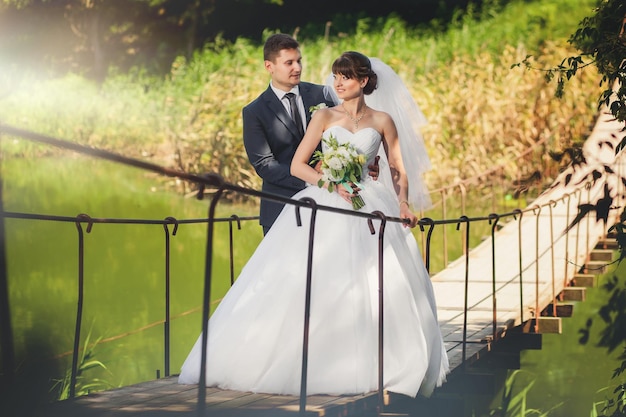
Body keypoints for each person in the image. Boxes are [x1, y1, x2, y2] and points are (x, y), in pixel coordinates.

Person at [179, 51, 449, 398]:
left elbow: (397, 167)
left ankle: (377, 362)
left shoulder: (382, 120)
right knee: (308, 277)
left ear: (363, 81)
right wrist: (331, 184)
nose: (337, 83)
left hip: (368, 202)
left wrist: (402, 202)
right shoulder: (323, 116)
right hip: (325, 200)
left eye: (345, 77)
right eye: (335, 76)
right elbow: (297, 165)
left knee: (375, 281)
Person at [243, 34, 378, 234]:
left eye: (299, 61)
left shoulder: (323, 94)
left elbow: (350, 130)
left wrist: (363, 162)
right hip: (281, 207)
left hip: (331, 206)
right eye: (289, 63)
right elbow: (265, 165)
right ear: (269, 66)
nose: (297, 68)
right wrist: (314, 177)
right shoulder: (254, 111)